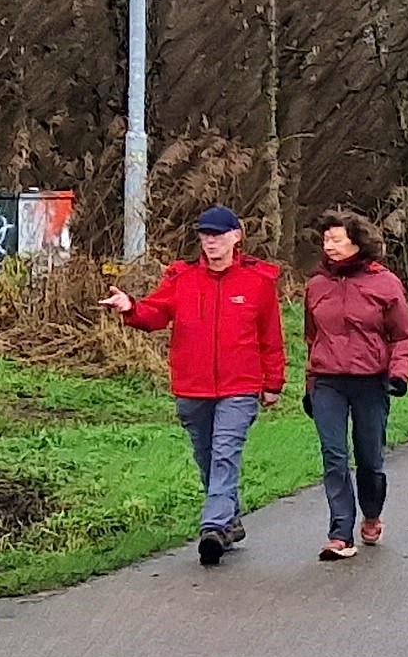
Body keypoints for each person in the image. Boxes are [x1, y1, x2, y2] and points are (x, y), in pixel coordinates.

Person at [103, 204, 286, 566]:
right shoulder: (181, 278)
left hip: (240, 386)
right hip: (192, 387)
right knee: (206, 457)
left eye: (217, 235)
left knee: (225, 453)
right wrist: (130, 308)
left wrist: (274, 382)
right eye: (204, 235)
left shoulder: (258, 282)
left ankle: (213, 528)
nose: (210, 242)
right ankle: (230, 520)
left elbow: (271, 337)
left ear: (237, 236)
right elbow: (154, 314)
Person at [300, 207, 408, 561]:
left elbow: (404, 334)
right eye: (325, 240)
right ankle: (339, 533)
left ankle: (371, 513)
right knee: (334, 456)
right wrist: (310, 385)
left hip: (371, 381)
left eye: (336, 239)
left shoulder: (385, 283)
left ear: (357, 242)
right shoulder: (316, 285)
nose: (329, 246)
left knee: (370, 459)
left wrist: (398, 372)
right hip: (327, 382)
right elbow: (311, 337)